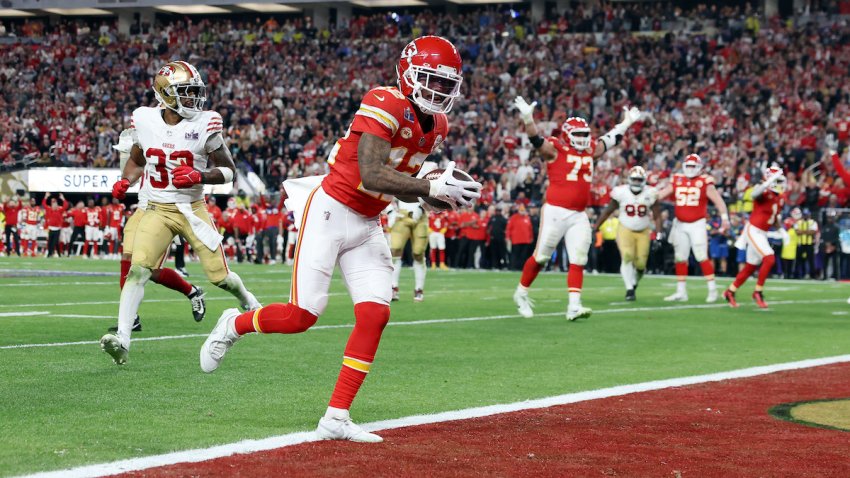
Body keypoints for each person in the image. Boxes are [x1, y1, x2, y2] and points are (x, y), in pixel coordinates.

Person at [198, 36, 480, 443]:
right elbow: (370, 173)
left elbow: (397, 186)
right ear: (408, 72)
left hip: (368, 222)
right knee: (302, 316)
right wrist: (427, 187)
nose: (436, 91)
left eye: (444, 84)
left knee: (375, 315)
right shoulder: (385, 101)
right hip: (331, 210)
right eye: (430, 80)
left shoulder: (437, 125)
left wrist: (431, 195)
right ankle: (234, 324)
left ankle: (336, 416)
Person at [100, 61, 260, 365]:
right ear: (164, 94)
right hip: (157, 208)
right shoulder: (145, 120)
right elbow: (136, 160)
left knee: (220, 278)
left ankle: (246, 298)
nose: (192, 99)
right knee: (138, 269)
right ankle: (123, 339)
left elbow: (228, 171)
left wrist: (201, 177)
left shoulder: (205, 123)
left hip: (191, 208)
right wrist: (125, 179)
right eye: (184, 93)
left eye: (193, 92)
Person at [511, 96, 642, 320]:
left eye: (585, 134)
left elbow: (610, 139)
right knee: (541, 257)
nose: (583, 138)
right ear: (567, 135)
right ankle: (521, 293)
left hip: (579, 214)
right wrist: (527, 118)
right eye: (578, 134)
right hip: (555, 211)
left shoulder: (590, 149)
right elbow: (535, 139)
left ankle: (574, 306)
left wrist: (626, 122)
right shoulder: (556, 149)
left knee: (579, 257)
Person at [656, 154, 730, 303]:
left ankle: (712, 289)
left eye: (693, 166)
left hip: (697, 223)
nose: (690, 169)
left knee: (701, 255)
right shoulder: (677, 179)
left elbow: (718, 200)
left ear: (699, 168)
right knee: (680, 257)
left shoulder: (704, 181)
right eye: (688, 166)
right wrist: (648, 196)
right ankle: (681, 291)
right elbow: (661, 194)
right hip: (680, 224)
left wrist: (724, 218)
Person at [593, 166, 662, 301]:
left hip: (643, 231)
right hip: (625, 228)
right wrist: (596, 226)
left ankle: (634, 283)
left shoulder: (650, 193)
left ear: (644, 180)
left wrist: (659, 234)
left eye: (639, 180)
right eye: (634, 179)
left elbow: (657, 215)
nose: (636, 182)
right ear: (629, 179)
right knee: (627, 256)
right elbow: (608, 211)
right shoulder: (621, 192)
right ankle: (629, 289)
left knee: (641, 265)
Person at [723, 165, 785, 309]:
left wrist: (782, 231)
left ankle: (730, 291)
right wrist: (767, 183)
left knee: (750, 267)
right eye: (777, 180)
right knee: (769, 258)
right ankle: (758, 292)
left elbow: (774, 218)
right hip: (754, 230)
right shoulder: (763, 190)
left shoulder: (780, 198)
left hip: (762, 232)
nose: (780, 184)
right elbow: (753, 195)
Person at [390, 199, 429, 302]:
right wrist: (390, 211)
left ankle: (419, 289)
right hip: (401, 214)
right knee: (395, 250)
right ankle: (393, 287)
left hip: (421, 216)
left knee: (418, 253)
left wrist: (422, 207)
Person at [506, 205, 533, 270]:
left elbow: (530, 229)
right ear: (518, 211)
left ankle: (521, 267)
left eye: (523, 210)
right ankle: (513, 267)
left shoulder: (527, 218)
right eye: (521, 210)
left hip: (526, 240)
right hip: (516, 240)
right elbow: (508, 228)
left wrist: (531, 237)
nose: (522, 212)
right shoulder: (513, 218)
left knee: (523, 255)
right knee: (515, 254)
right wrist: (507, 237)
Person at [42, 194, 69, 258]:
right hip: (51, 228)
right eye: (53, 204)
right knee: (51, 242)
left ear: (57, 205)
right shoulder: (49, 209)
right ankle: (56, 253)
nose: (54, 206)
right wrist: (45, 197)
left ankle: (50, 254)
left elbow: (66, 205)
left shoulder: (60, 210)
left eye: (55, 204)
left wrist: (63, 198)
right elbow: (44, 204)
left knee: (54, 242)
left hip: (57, 229)